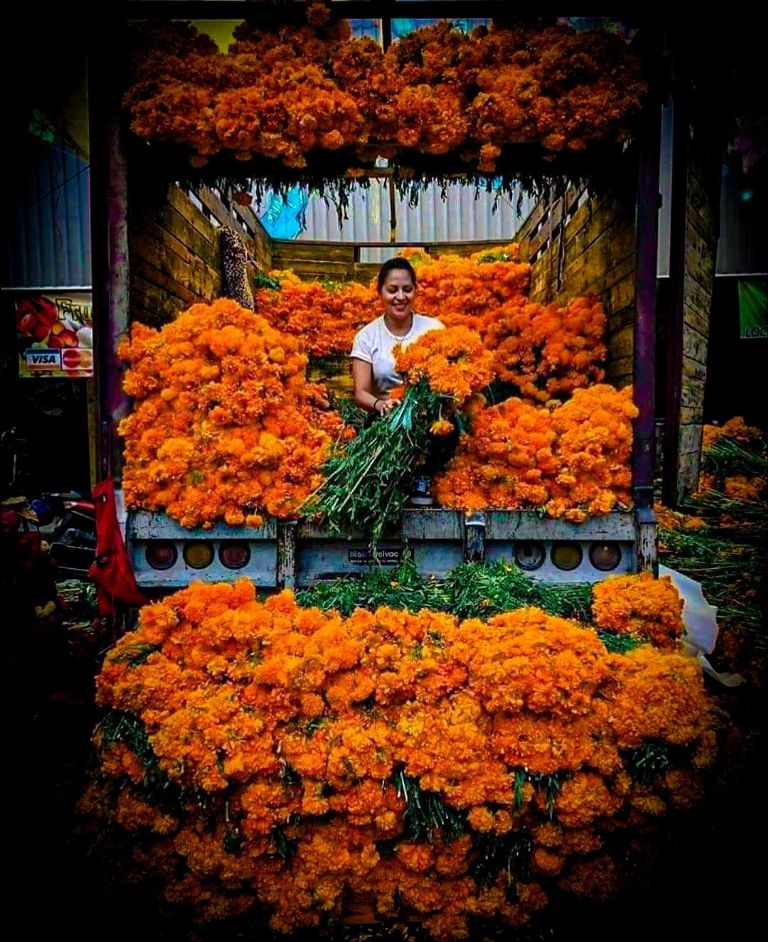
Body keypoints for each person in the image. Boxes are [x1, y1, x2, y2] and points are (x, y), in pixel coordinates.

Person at [350, 257, 445, 417]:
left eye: (407, 289)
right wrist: (381, 405)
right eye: (392, 290)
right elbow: (360, 392)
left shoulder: (434, 329)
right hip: (387, 421)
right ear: (380, 292)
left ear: (416, 290)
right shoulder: (366, 337)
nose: (401, 297)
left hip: (431, 419)